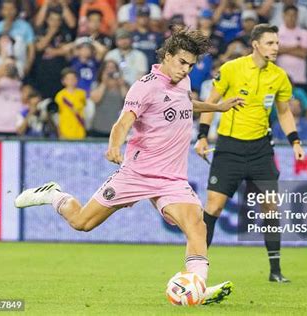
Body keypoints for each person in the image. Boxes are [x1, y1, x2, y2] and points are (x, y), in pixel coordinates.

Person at [14, 28, 245, 304]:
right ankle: (53, 194)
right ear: (168, 56)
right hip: (136, 173)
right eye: (182, 62)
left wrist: (216, 108)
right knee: (81, 223)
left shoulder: (182, 83)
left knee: (196, 224)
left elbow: (184, 104)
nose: (187, 70)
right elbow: (123, 122)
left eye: (192, 65)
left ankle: (197, 286)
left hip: (171, 179)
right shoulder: (145, 86)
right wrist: (114, 146)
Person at [195, 24, 305, 283]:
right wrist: (201, 136)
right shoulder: (232, 69)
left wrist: (296, 142)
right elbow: (211, 102)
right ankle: (196, 268)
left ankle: (275, 271)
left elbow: (285, 112)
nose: (276, 48)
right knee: (214, 206)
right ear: (255, 44)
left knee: (270, 207)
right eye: (270, 43)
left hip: (260, 150)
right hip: (229, 148)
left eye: (277, 43)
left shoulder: (279, 76)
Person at [0, 0, 35, 77]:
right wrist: (6, 30)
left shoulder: (25, 26)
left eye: (11, 9)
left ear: (16, 10)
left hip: (20, 66)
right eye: (6, 9)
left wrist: (28, 66)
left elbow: (31, 50)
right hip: (1, 66)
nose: (9, 12)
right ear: (1, 11)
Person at [277, 5, 307, 94]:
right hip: (281, 79)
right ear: (283, 15)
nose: (291, 17)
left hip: (300, 78)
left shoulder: (305, 33)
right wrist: (295, 47)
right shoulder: (275, 33)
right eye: (288, 15)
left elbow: (304, 54)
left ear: (297, 16)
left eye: (294, 15)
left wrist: (282, 49)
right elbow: (274, 51)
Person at [89, 60, 129, 137]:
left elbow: (128, 102)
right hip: (99, 128)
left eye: (113, 68)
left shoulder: (124, 85)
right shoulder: (97, 84)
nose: (110, 70)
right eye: (107, 68)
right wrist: (104, 83)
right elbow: (96, 99)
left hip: (118, 128)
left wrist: (122, 85)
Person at [54, 68, 86, 139]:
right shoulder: (60, 96)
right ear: (63, 81)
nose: (71, 81)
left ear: (77, 80)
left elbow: (86, 112)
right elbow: (57, 116)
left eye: (73, 78)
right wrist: (59, 133)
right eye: (68, 79)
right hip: (65, 132)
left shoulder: (82, 94)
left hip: (80, 132)